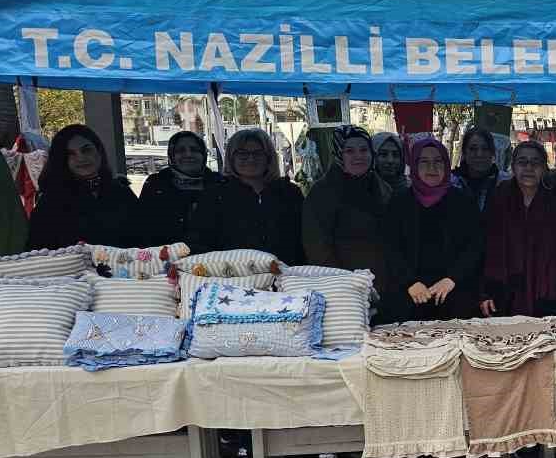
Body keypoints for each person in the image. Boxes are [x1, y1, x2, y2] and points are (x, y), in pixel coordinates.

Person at [379, 135, 484, 322]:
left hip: (453, 292)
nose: (432, 168)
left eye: (438, 161)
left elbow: (475, 246)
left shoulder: (463, 201)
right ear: (414, 165)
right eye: (424, 162)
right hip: (409, 294)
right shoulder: (399, 202)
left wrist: (452, 278)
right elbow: (390, 247)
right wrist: (410, 282)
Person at [481, 141, 556, 318]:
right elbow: (485, 244)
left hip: (551, 294)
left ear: (544, 167)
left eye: (535, 162)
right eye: (522, 162)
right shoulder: (500, 196)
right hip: (505, 294)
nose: (529, 168)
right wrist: (484, 291)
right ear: (513, 166)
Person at [188, 127, 305, 265]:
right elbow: (201, 242)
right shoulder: (215, 195)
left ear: (269, 158)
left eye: (258, 153)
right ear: (231, 158)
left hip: (287, 273)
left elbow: (304, 240)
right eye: (242, 153)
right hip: (232, 275)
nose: (251, 159)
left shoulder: (289, 193)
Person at [303, 126, 392, 287]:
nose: (359, 156)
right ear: (339, 154)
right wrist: (343, 283)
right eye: (349, 151)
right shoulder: (323, 192)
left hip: (383, 283)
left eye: (364, 150)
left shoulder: (382, 188)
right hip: (344, 286)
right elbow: (317, 246)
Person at [27, 123, 138, 249]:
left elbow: (144, 242)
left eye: (86, 150)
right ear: (62, 160)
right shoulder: (51, 202)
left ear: (99, 151)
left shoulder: (121, 192)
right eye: (71, 154)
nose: (81, 158)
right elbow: (37, 251)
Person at [132, 130, 225, 247]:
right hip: (165, 255)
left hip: (213, 256)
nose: (188, 154)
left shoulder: (219, 183)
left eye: (194, 150)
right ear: (172, 156)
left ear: (203, 154)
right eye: (181, 150)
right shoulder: (156, 184)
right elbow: (142, 227)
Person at [452, 127, 506, 214]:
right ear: (464, 153)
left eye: (485, 149)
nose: (479, 154)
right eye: (473, 149)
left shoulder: (504, 183)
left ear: (492, 153)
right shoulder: (452, 183)